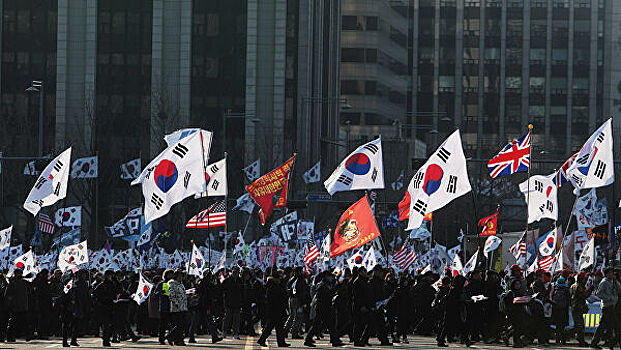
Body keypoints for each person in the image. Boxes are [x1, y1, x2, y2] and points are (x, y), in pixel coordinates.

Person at [304, 271, 344, 347]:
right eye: (329, 276)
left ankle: (334, 340)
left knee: (330, 325)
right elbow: (326, 295)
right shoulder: (321, 285)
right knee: (317, 324)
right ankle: (308, 339)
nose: (331, 278)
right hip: (322, 307)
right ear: (326, 276)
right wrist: (336, 288)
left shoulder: (326, 284)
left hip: (326, 307)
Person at [257, 270, 290, 347]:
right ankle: (262, 340)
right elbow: (276, 298)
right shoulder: (272, 286)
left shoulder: (275, 285)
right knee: (271, 327)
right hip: (274, 309)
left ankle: (280, 342)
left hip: (276, 309)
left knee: (278, 327)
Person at [590, 267, 621, 349]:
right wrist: (609, 298)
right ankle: (601, 342)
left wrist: (615, 281)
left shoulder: (613, 282)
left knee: (607, 325)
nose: (612, 274)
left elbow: (619, 290)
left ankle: (600, 342)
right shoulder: (604, 282)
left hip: (612, 305)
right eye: (611, 273)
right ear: (607, 274)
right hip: (607, 306)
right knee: (614, 325)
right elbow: (599, 294)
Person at [4, 269, 33, 342]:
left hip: (23, 306)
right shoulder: (12, 283)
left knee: (25, 322)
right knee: (12, 323)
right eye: (18, 274)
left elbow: (28, 293)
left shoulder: (24, 283)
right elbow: (7, 295)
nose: (20, 275)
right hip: (15, 307)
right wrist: (11, 304)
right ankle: (9, 337)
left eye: (21, 273)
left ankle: (27, 336)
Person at [93, 270, 116, 347]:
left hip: (111, 306)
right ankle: (106, 339)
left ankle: (106, 337)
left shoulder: (112, 284)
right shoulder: (102, 285)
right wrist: (100, 302)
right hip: (104, 307)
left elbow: (116, 292)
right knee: (106, 325)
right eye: (110, 276)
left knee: (111, 324)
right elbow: (95, 295)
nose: (111, 277)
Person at [167, 270, 188, 346]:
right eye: (179, 276)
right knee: (179, 325)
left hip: (183, 306)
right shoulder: (171, 283)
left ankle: (176, 339)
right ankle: (173, 337)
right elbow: (171, 295)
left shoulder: (181, 284)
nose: (181, 278)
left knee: (182, 325)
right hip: (176, 308)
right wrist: (176, 303)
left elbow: (183, 293)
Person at [222, 266, 242, 339]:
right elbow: (222, 290)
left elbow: (242, 292)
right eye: (234, 272)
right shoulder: (227, 280)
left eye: (236, 272)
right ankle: (224, 331)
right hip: (228, 302)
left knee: (236, 319)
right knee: (227, 318)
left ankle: (235, 333)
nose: (235, 274)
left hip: (237, 303)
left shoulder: (240, 281)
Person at [155, 269, 174, 345]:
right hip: (164, 306)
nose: (170, 276)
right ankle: (161, 339)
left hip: (173, 306)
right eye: (169, 274)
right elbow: (155, 293)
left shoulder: (173, 283)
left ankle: (171, 337)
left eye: (172, 274)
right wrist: (160, 292)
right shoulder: (163, 283)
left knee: (172, 325)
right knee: (163, 325)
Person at [551, 276, 569, 344]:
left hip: (556, 310)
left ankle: (557, 339)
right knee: (563, 326)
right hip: (564, 310)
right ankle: (563, 340)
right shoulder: (566, 291)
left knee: (558, 326)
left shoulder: (555, 290)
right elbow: (568, 300)